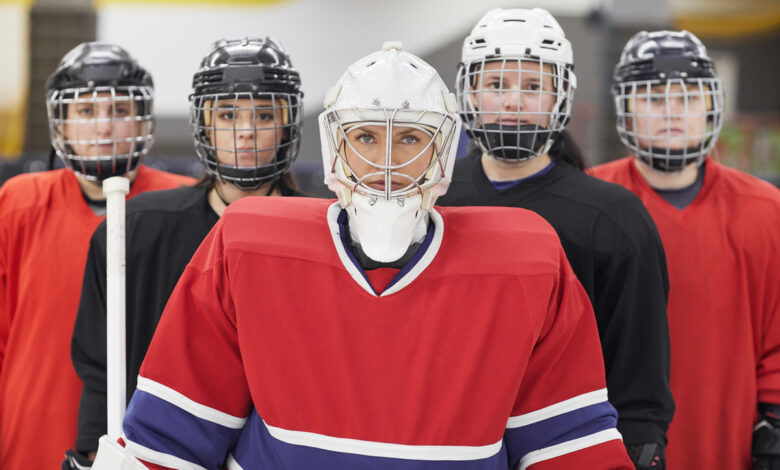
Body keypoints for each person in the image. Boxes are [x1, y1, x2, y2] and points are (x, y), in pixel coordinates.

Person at [91, 43, 633, 470]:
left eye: (411, 139)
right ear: (334, 148)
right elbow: (171, 440)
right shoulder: (248, 245)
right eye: (367, 137)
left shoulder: (526, 262)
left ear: (443, 152)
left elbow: (568, 446)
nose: (387, 163)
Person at [436, 8, 674, 468]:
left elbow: (638, 369)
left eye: (532, 87)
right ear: (469, 91)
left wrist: (641, 445)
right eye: (497, 85)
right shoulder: (434, 194)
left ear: (559, 95)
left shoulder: (613, 217)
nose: (513, 102)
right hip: (452, 439)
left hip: (566, 442)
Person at [64, 37, 306, 468]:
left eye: (265, 114)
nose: (246, 130)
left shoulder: (323, 236)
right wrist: (91, 452)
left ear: (289, 126)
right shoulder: (131, 229)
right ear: (204, 125)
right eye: (228, 114)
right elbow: (99, 367)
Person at [590, 30, 780, 469]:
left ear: (711, 105)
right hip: (610, 444)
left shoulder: (766, 210)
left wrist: (774, 419)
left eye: (689, 97)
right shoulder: (586, 201)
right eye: (654, 98)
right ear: (626, 108)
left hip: (726, 444)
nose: (672, 111)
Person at [0, 42, 194, 470]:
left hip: (149, 446)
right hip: (29, 441)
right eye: (86, 112)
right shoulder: (18, 202)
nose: (104, 128)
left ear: (143, 119)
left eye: (120, 111)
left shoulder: (186, 205)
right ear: (62, 124)